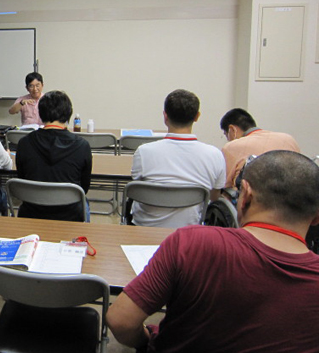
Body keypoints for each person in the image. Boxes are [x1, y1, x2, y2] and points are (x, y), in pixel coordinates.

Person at [107, 150, 319, 352]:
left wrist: (147, 342)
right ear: (317, 217)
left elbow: (121, 321)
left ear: (245, 196)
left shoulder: (193, 243)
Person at [130, 89, 225, 228]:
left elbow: (137, 190)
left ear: (165, 116)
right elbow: (215, 197)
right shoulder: (215, 154)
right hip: (191, 231)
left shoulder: (144, 152)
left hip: (144, 229)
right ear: (197, 116)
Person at [16, 90, 92, 222]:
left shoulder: (24, 143)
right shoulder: (82, 146)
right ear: (68, 113)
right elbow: (83, 188)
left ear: (41, 113)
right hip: (71, 214)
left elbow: (22, 178)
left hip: (32, 212)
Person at [220, 108, 300, 189]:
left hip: (256, 198)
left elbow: (224, 186)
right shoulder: (288, 139)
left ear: (232, 130)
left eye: (226, 135)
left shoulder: (231, 146)